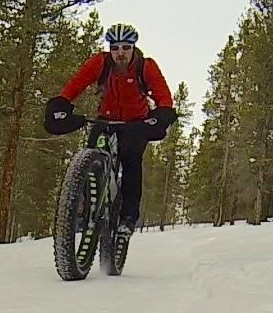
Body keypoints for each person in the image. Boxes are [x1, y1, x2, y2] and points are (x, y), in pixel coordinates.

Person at [44, 23, 177, 235]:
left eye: (125, 47)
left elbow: (163, 96)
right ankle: (84, 209)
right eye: (115, 48)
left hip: (136, 123)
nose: (120, 53)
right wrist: (61, 104)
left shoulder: (146, 66)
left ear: (133, 48)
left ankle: (128, 217)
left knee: (132, 160)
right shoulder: (100, 63)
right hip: (105, 119)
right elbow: (76, 84)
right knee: (90, 156)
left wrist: (160, 116)